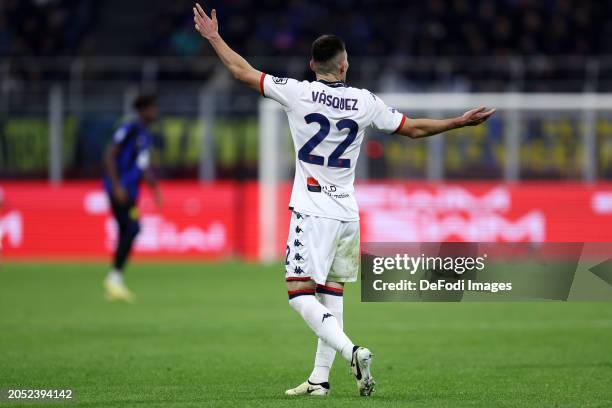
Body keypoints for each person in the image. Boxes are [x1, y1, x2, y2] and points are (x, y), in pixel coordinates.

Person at [193, 3, 495, 397]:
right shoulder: (365, 101)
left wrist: (214, 37)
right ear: (343, 66)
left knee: (299, 293)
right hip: (347, 213)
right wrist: (459, 121)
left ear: (311, 64)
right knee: (331, 293)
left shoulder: (297, 92)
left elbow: (241, 72)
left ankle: (353, 350)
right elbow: (414, 129)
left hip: (312, 208)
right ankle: (320, 379)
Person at [102, 94, 163, 302]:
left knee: (126, 230)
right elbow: (109, 155)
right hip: (120, 190)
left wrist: (154, 189)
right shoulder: (129, 129)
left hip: (131, 192)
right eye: (153, 109)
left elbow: (143, 167)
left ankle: (114, 281)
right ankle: (114, 278)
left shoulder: (145, 135)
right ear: (143, 110)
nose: (156, 113)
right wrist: (117, 186)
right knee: (133, 228)